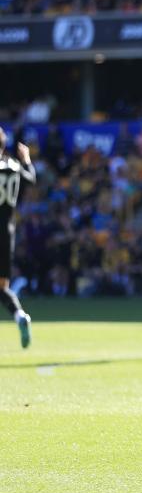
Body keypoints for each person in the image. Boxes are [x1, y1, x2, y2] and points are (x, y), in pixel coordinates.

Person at [0, 128, 34, 348]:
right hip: (7, 232)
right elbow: (31, 179)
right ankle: (20, 315)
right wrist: (26, 160)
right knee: (2, 286)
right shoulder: (13, 166)